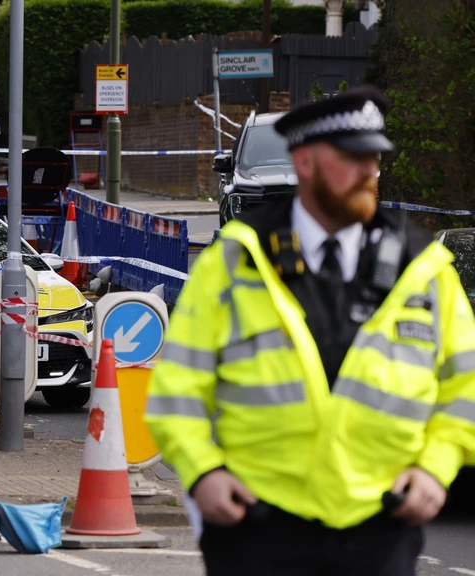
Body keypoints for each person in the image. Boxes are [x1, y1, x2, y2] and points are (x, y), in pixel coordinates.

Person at [145, 85, 475, 576]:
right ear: (305, 162)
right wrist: (203, 473)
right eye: (352, 158)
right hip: (258, 525)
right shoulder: (237, 260)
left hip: (381, 526)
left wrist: (436, 468)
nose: (369, 172)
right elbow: (177, 391)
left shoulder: (423, 267)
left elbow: (464, 386)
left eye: (375, 159)